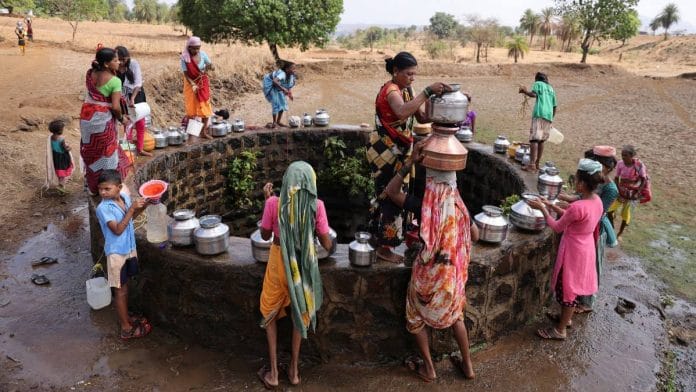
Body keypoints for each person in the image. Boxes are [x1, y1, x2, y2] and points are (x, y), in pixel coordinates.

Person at [385, 138, 479, 382]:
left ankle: (429, 367)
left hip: (428, 282)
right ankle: (467, 365)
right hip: (452, 279)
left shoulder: (425, 206)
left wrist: (409, 163)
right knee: (456, 315)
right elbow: (476, 235)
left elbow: (391, 191)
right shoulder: (458, 205)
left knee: (414, 316)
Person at [366, 51, 452, 263]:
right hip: (384, 150)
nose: (412, 78)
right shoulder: (391, 90)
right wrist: (426, 91)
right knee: (389, 195)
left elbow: (421, 116)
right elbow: (402, 112)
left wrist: (443, 103)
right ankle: (384, 248)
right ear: (396, 72)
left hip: (398, 149)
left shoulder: (406, 90)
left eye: (414, 74)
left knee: (395, 194)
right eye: (408, 74)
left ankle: (381, 241)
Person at [257, 161, 334, 389]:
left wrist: (267, 201)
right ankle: (294, 370)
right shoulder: (316, 206)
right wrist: (328, 243)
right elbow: (326, 242)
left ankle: (273, 373)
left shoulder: (274, 203)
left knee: (269, 311)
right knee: (300, 312)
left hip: (279, 262)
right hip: (302, 264)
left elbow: (264, 235)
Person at [527, 159, 604, 340]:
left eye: (576, 180)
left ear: (583, 184)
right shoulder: (596, 201)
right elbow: (574, 218)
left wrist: (543, 209)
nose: (575, 183)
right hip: (586, 249)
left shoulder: (577, 207)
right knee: (573, 287)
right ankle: (565, 319)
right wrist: (550, 205)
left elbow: (557, 227)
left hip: (572, 251)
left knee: (567, 289)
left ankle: (560, 330)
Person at [550, 146, 618, 314]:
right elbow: (582, 199)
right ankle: (573, 305)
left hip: (593, 229)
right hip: (584, 225)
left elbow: (595, 213)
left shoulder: (610, 189)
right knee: (578, 272)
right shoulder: (594, 189)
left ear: (607, 167)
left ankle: (586, 302)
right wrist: (567, 201)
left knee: (588, 269)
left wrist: (568, 209)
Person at [95, 169, 152, 340]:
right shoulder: (103, 208)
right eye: (100, 189)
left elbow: (131, 219)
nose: (103, 193)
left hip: (128, 248)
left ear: (119, 187)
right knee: (120, 291)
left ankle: (126, 316)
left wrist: (144, 205)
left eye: (107, 189)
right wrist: (131, 209)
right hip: (116, 254)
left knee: (124, 287)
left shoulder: (125, 199)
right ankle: (126, 328)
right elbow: (118, 229)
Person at [80, 47, 132, 195]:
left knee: (92, 152)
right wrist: (122, 118)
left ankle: (94, 187)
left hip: (87, 120)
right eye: (115, 60)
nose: (119, 62)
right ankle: (110, 188)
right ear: (107, 64)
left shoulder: (91, 74)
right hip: (102, 122)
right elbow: (115, 106)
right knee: (108, 153)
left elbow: (94, 97)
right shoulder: (115, 81)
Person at [115, 46, 151, 157]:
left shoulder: (134, 64)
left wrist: (132, 98)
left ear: (127, 57)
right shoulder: (114, 66)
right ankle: (127, 153)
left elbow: (138, 83)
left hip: (136, 95)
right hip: (123, 98)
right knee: (128, 124)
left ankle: (140, 149)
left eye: (123, 60)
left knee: (140, 123)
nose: (121, 62)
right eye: (118, 59)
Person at [519, 72, 557, 172]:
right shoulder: (551, 89)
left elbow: (534, 94)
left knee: (534, 139)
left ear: (537, 79)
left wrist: (524, 91)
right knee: (541, 140)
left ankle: (531, 165)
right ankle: (537, 163)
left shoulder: (538, 84)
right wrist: (551, 118)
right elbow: (554, 106)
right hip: (548, 116)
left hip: (539, 113)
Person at [607, 145, 647, 239]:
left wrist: (637, 192)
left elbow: (643, 179)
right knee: (609, 210)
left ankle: (620, 233)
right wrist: (618, 191)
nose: (623, 157)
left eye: (625, 155)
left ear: (631, 156)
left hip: (632, 193)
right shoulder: (620, 164)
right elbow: (616, 178)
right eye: (622, 155)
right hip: (621, 190)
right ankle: (612, 229)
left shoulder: (639, 165)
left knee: (625, 214)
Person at [180, 36, 214, 139]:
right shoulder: (184, 58)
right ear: (189, 47)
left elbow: (211, 65)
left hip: (203, 83)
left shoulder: (203, 55)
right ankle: (192, 134)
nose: (196, 50)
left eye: (198, 48)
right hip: (190, 85)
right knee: (191, 110)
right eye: (194, 48)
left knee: (205, 109)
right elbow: (186, 74)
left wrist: (210, 66)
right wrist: (193, 84)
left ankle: (203, 132)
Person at [263, 60, 296, 128]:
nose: (294, 70)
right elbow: (274, 81)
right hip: (271, 83)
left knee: (283, 103)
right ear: (287, 69)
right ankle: (274, 122)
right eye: (293, 68)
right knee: (275, 103)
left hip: (278, 85)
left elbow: (288, 85)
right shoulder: (282, 74)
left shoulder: (291, 75)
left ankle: (278, 121)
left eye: (295, 68)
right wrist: (283, 89)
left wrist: (290, 94)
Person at [45, 119, 75, 193]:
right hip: (63, 157)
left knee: (59, 171)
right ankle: (61, 186)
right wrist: (69, 147)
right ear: (60, 130)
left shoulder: (51, 137)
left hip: (56, 157)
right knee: (63, 172)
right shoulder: (61, 139)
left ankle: (60, 184)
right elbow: (65, 149)